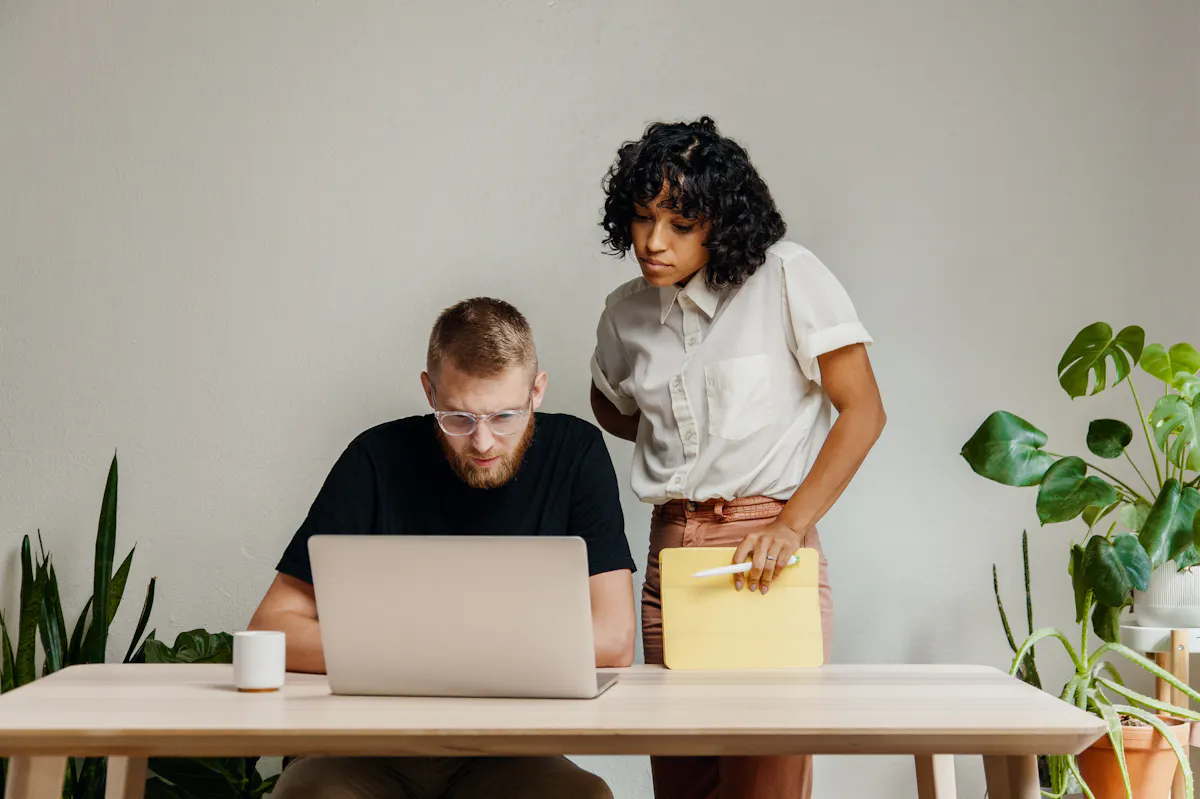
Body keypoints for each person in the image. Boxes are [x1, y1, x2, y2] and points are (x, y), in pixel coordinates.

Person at [589, 116, 886, 799]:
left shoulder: (787, 277)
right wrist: (682, 447)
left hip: (766, 551)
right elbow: (612, 406)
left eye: (678, 224)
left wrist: (788, 523)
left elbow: (864, 410)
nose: (652, 241)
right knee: (684, 778)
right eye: (639, 218)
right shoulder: (624, 314)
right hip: (673, 552)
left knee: (766, 782)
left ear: (720, 223)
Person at [253, 297, 635, 799]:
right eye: (457, 418)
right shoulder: (375, 457)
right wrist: (454, 651)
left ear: (537, 391)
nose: (482, 442)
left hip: (509, 753)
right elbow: (271, 626)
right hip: (359, 748)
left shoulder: (576, 452)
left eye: (504, 416)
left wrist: (418, 651)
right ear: (428, 390)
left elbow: (613, 637)